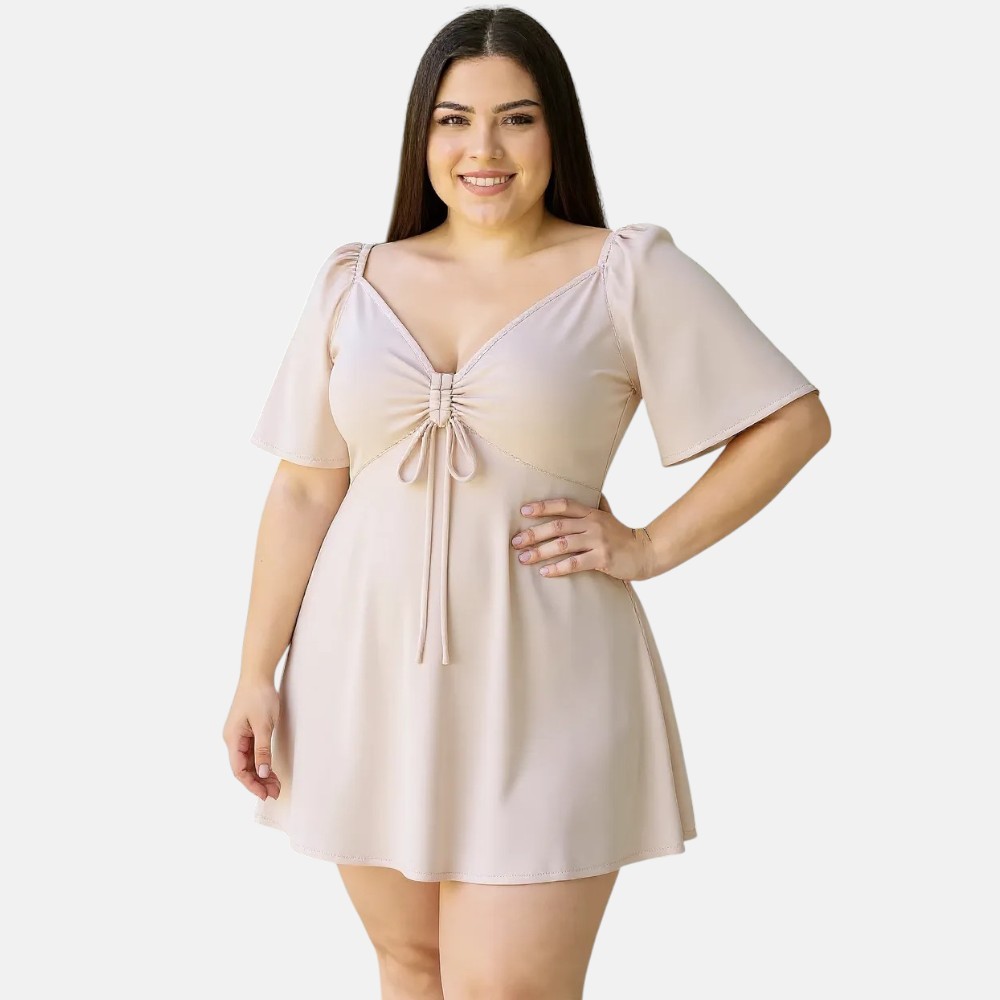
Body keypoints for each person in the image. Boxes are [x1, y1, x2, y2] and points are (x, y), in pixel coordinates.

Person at [223, 6, 830, 998]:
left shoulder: (624, 271)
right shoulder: (352, 281)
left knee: (505, 988)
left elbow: (791, 421)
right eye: (454, 120)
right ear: (422, 135)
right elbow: (302, 487)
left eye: (517, 118)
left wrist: (648, 545)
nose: (484, 150)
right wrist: (255, 671)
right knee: (410, 965)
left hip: (549, 675)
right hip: (360, 669)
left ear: (558, 132)